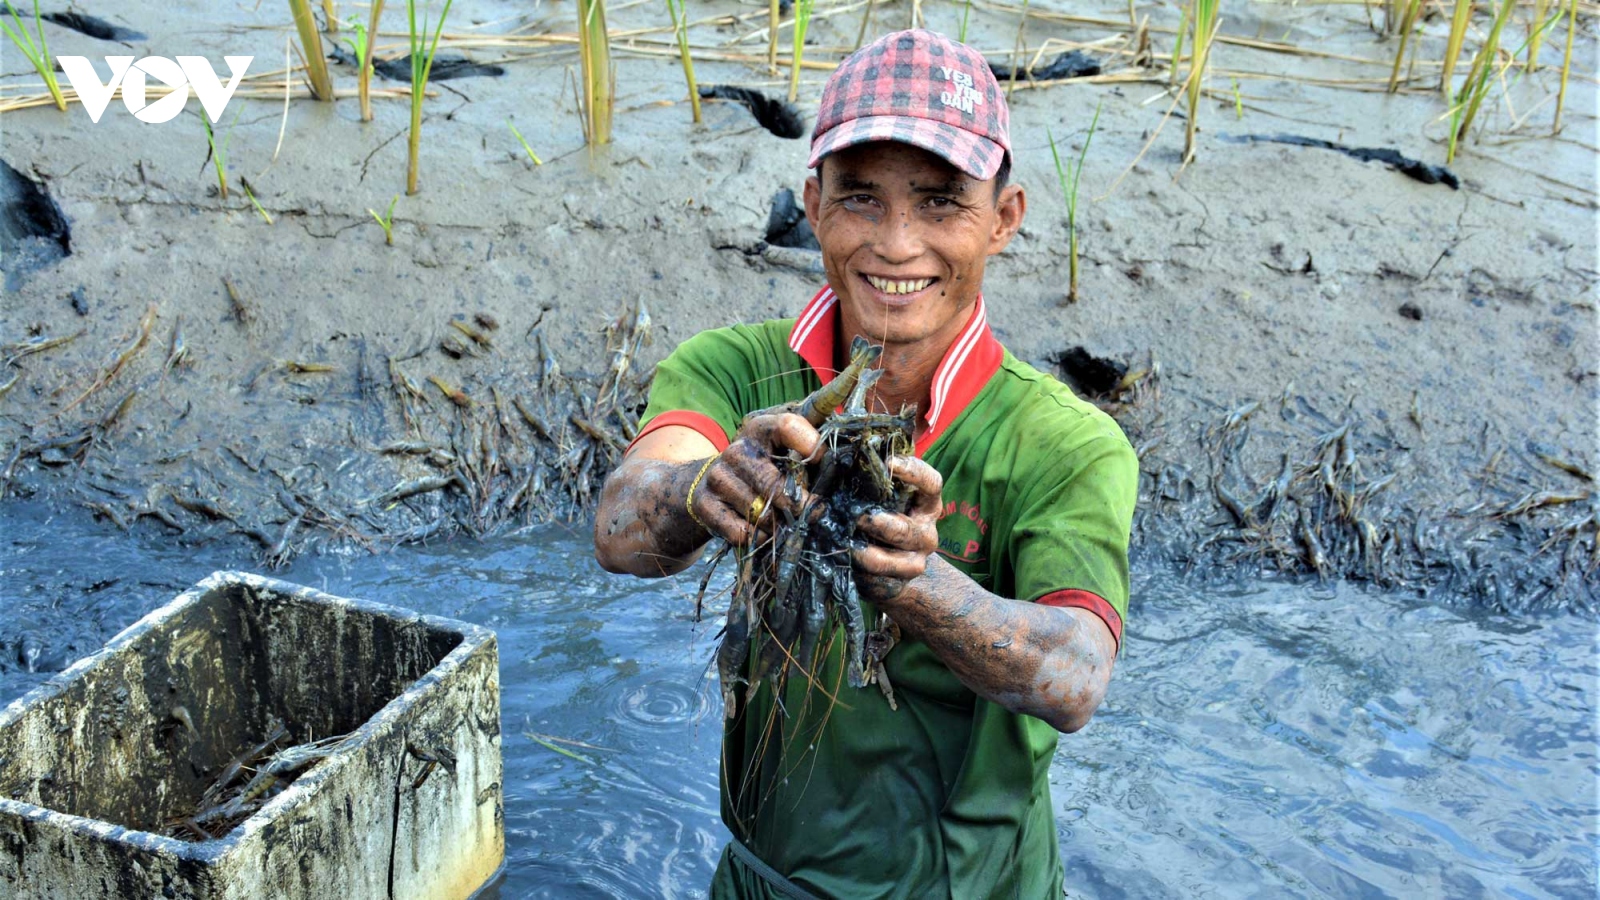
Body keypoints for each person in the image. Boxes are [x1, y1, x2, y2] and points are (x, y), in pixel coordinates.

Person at [594, 28, 1137, 899]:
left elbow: (1075, 677)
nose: (895, 245)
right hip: (758, 877)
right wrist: (704, 488)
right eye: (861, 200)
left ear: (1003, 218)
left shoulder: (1065, 443)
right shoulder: (736, 369)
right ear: (812, 204)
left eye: (939, 203)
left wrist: (921, 585)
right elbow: (621, 531)